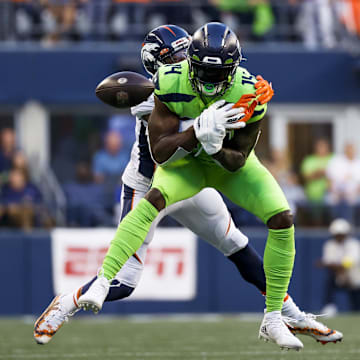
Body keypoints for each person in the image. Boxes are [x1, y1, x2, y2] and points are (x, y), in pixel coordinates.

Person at [34, 24, 342, 349]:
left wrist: (245, 107)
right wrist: (203, 125)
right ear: (156, 63)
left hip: (194, 176)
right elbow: (165, 144)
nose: (184, 60)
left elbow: (229, 131)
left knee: (239, 247)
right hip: (150, 183)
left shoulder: (201, 81)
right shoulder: (153, 95)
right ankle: (67, 302)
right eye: (174, 56)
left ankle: (286, 313)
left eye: (185, 53)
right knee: (124, 283)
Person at [320, 218, 360, 314]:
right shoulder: (330, 245)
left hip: (354, 277)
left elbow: (349, 263)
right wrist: (338, 268)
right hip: (338, 276)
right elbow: (328, 262)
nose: (339, 237)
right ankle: (329, 306)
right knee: (329, 282)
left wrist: (338, 266)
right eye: (337, 234)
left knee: (356, 304)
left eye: (341, 234)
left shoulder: (354, 244)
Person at [300, 138, 332, 224]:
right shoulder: (309, 160)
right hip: (313, 195)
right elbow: (306, 176)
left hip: (330, 194)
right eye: (319, 146)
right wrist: (320, 173)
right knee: (316, 220)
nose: (321, 149)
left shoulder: (333, 159)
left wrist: (319, 173)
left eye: (323, 146)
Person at [326, 143, 360, 222]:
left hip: (354, 195)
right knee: (334, 200)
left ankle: (349, 226)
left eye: (351, 149)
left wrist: (353, 193)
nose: (350, 151)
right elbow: (329, 180)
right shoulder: (336, 161)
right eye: (348, 149)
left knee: (351, 201)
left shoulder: (358, 163)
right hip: (336, 194)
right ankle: (338, 225)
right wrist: (337, 192)